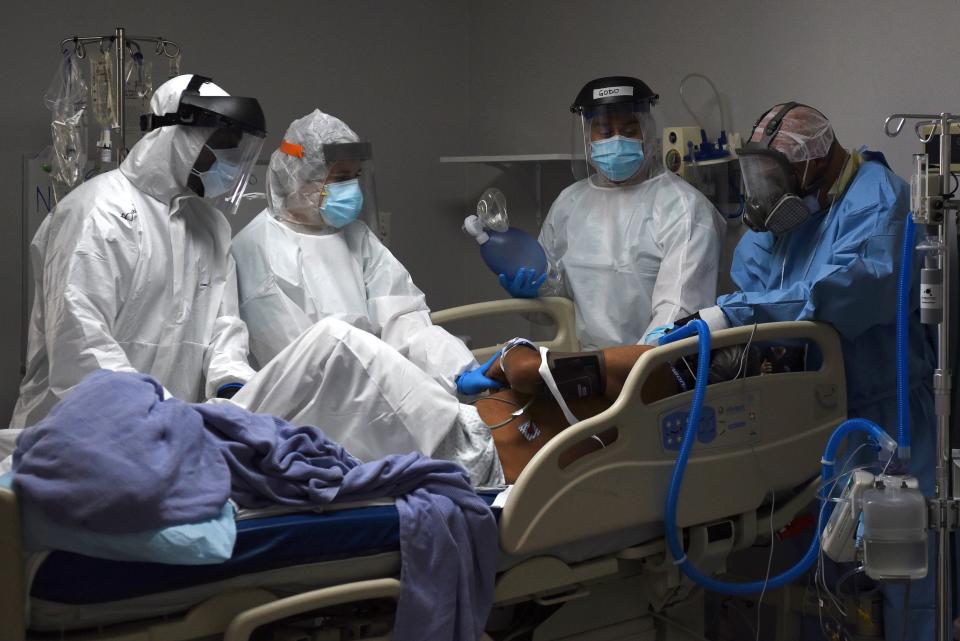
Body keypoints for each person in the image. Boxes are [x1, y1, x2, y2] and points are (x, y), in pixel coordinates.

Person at [10, 75, 502, 487]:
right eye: (222, 147)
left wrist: (231, 392)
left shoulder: (209, 226)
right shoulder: (97, 214)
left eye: (239, 151)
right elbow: (84, 351)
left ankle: (482, 451)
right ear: (175, 136)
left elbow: (225, 336)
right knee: (336, 341)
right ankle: (484, 454)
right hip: (95, 428)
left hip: (185, 427)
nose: (230, 164)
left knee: (340, 349)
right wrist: (163, 419)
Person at [668, 102, 937, 641]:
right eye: (755, 177)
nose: (761, 195)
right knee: (823, 579)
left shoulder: (877, 198)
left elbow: (853, 296)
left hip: (884, 418)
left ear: (814, 163)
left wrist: (737, 315)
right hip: (806, 422)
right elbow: (755, 276)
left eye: (771, 179)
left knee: (901, 570)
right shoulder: (781, 220)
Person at [230, 109, 490, 396]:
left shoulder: (357, 236)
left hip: (372, 391)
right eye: (341, 177)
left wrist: (455, 368)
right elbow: (296, 359)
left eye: (356, 176)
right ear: (298, 178)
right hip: (304, 409)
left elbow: (402, 316)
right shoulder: (258, 247)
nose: (352, 188)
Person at [499, 76, 725, 350]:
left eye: (630, 131)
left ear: (647, 131)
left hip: (651, 370)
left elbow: (678, 314)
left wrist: (626, 368)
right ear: (588, 137)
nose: (617, 142)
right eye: (604, 132)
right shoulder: (570, 203)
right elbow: (558, 297)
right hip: (583, 365)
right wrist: (537, 292)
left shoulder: (684, 208)